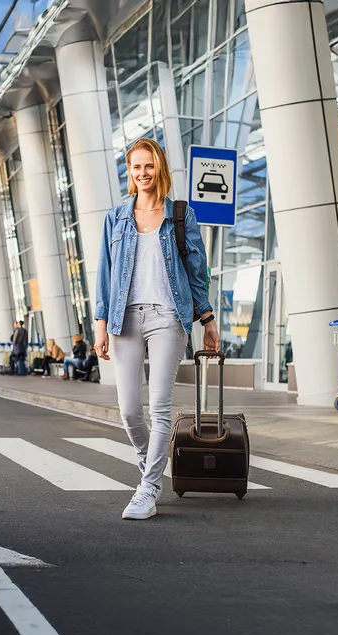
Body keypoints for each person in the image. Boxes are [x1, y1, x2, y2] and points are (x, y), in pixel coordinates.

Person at [94, 137, 218, 521]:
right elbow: (105, 276)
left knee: (160, 406)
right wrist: (100, 327)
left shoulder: (181, 215)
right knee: (129, 409)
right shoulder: (115, 218)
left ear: (159, 168)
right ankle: (150, 464)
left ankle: (148, 487)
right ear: (129, 172)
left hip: (168, 317)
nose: (143, 173)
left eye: (149, 166)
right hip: (124, 319)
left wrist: (208, 321)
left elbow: (198, 273)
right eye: (136, 167)